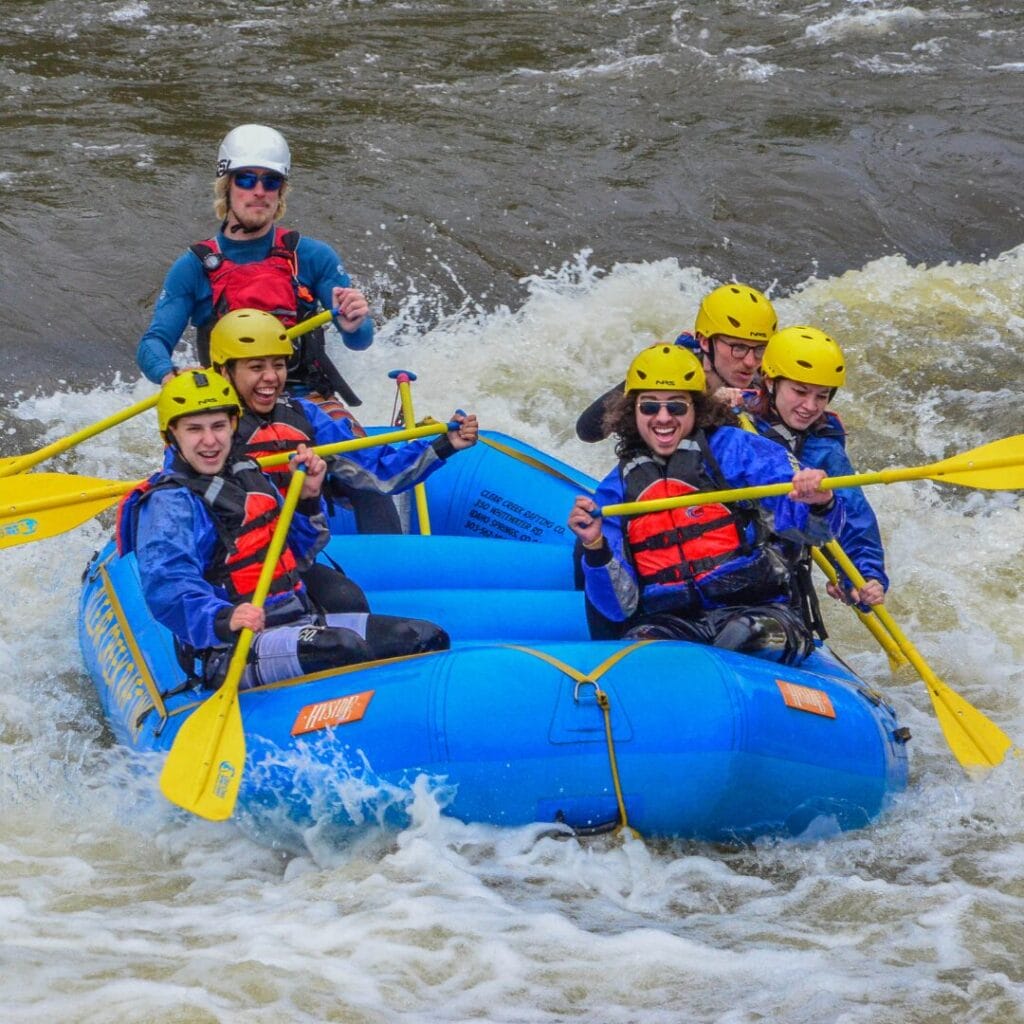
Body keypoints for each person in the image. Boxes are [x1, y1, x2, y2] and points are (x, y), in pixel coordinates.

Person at [134, 123, 402, 533]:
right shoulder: (194, 267)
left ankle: (386, 576)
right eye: (247, 179)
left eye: (271, 181)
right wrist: (170, 376)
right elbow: (153, 343)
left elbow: (360, 340)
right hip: (231, 408)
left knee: (367, 484)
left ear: (280, 193)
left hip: (307, 399)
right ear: (227, 188)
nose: (259, 190)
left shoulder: (311, 256)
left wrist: (355, 321)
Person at [117, 371, 450, 691]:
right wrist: (224, 618)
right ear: (170, 435)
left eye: (218, 426)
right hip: (233, 646)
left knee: (423, 636)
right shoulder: (169, 503)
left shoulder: (248, 472)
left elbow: (299, 555)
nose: (209, 440)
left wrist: (307, 499)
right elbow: (167, 587)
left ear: (233, 425)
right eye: (194, 429)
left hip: (299, 621)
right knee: (343, 647)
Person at [567, 343, 846, 664]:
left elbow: (816, 533)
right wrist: (596, 547)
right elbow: (620, 605)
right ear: (633, 412)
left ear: (696, 408)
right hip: (673, 621)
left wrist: (820, 502)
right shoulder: (616, 490)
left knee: (744, 636)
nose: (662, 418)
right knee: (639, 651)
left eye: (676, 407)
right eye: (649, 407)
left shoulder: (742, 451)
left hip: (758, 611)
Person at [207, 307, 480, 611]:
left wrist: (446, 445)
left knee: (347, 601)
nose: (271, 377)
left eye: (279, 365)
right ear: (224, 371)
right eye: (256, 367)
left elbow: (376, 468)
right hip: (228, 568)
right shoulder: (205, 432)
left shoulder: (302, 415)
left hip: (291, 555)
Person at [750, 326, 888, 608]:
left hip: (777, 578)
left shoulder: (824, 450)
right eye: (800, 391)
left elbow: (854, 517)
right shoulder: (734, 422)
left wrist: (864, 577)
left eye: (821, 396)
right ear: (771, 382)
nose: (810, 406)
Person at [575, 283, 777, 443]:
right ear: (705, 341)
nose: (751, 362)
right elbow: (588, 431)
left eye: (760, 348)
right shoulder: (668, 371)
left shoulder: (771, 381)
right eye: (738, 348)